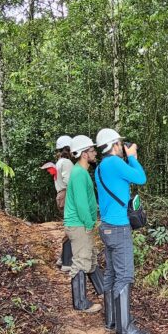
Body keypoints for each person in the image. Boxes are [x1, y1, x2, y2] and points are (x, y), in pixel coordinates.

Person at [94, 127, 151, 334]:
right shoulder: (116, 163)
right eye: (119, 143)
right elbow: (141, 178)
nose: (122, 146)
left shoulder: (100, 168)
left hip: (106, 226)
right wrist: (133, 157)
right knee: (125, 275)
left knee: (111, 274)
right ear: (114, 145)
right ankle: (124, 329)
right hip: (119, 228)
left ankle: (112, 320)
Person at [62, 135, 103, 315]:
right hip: (79, 224)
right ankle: (80, 302)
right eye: (92, 150)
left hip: (82, 223)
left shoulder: (82, 172)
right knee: (81, 261)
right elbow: (80, 203)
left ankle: (102, 290)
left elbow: (87, 199)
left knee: (90, 257)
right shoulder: (79, 173)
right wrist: (88, 223)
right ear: (85, 154)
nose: (95, 153)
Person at [53, 135, 74, 212]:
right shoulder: (66, 162)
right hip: (66, 196)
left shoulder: (59, 162)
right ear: (67, 148)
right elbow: (69, 181)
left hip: (61, 195)